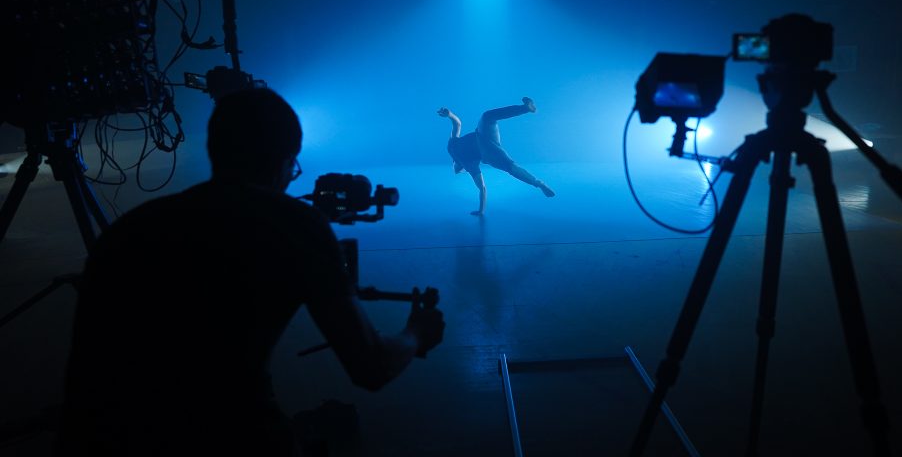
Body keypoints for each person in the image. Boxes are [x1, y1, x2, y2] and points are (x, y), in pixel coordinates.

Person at [55, 88, 445, 456]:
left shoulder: (131, 227)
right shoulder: (297, 226)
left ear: (215, 150)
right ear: (284, 161)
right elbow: (371, 367)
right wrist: (416, 333)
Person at [438, 97, 555, 216]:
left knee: (510, 166)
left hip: (485, 144)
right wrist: (450, 115)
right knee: (487, 117)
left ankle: (539, 183)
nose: (456, 170)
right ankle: (525, 108)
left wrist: (481, 210)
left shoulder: (460, 156)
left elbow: (482, 188)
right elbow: (457, 124)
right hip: (486, 147)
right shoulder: (463, 158)